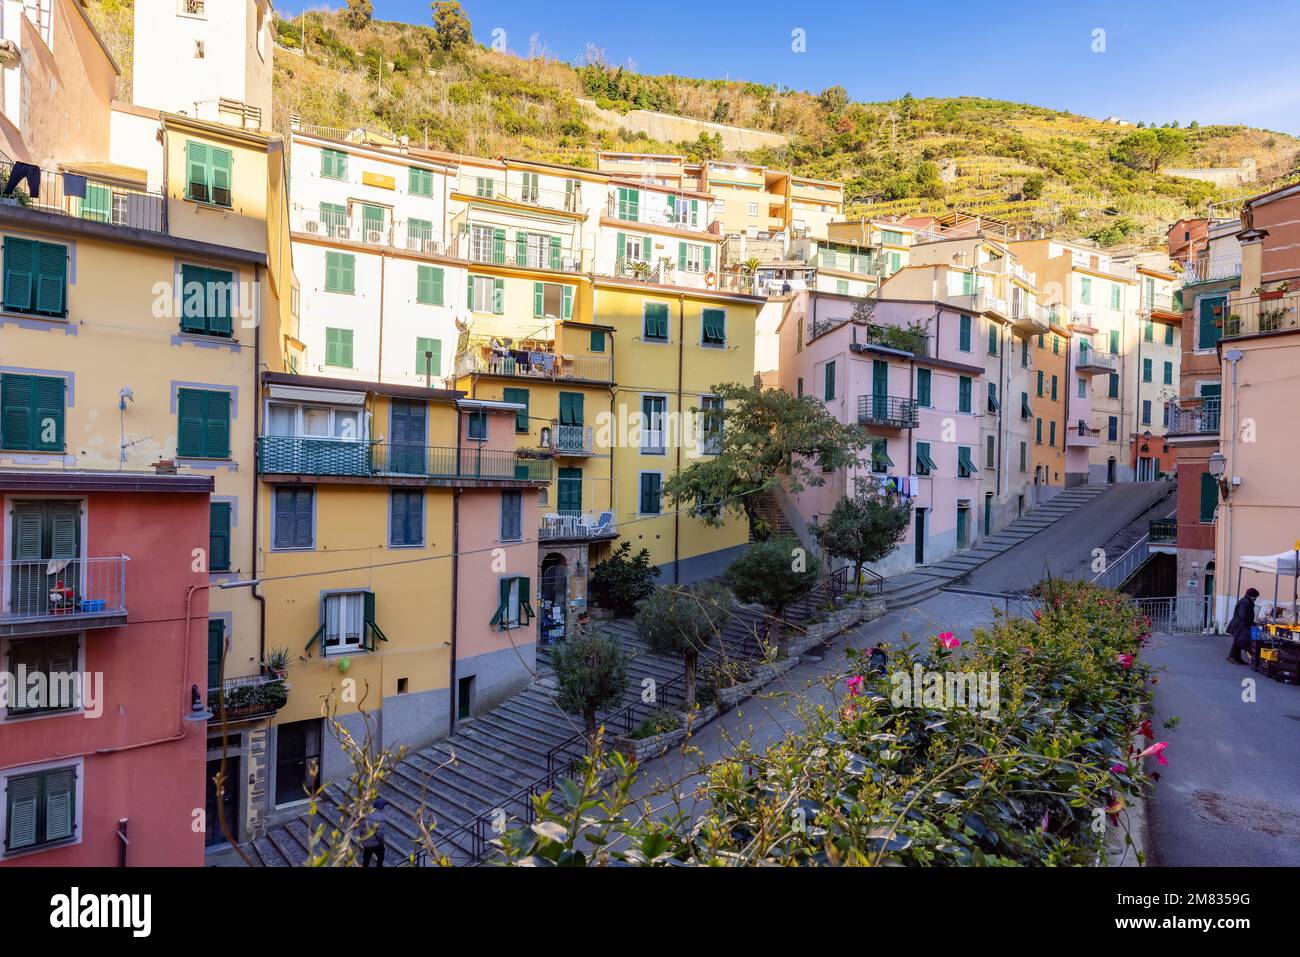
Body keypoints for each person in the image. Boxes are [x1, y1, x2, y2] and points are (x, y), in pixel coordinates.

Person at [1226, 587, 1259, 665]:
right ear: (1251, 596)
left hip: (1239, 625)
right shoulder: (1246, 602)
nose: (1255, 599)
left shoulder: (1245, 601)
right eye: (1255, 597)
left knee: (1237, 641)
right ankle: (1233, 657)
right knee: (1240, 641)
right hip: (1240, 625)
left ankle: (1235, 657)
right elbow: (1243, 615)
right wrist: (1252, 623)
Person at [361, 796, 388, 867]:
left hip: (366, 842)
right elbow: (380, 834)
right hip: (375, 843)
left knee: (366, 859)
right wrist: (382, 841)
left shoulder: (366, 814)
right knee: (381, 855)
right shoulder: (381, 818)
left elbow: (361, 829)